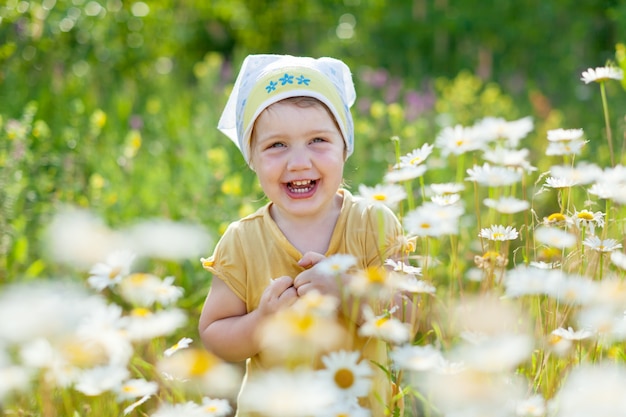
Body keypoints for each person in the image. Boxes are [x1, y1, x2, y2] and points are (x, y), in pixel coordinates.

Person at [198, 54, 415, 416]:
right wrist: (260, 322)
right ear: (251, 156)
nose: (299, 162)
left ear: (345, 145)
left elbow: (410, 318)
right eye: (276, 145)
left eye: (318, 140)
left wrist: (351, 296)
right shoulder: (242, 241)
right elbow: (215, 333)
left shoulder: (372, 224)